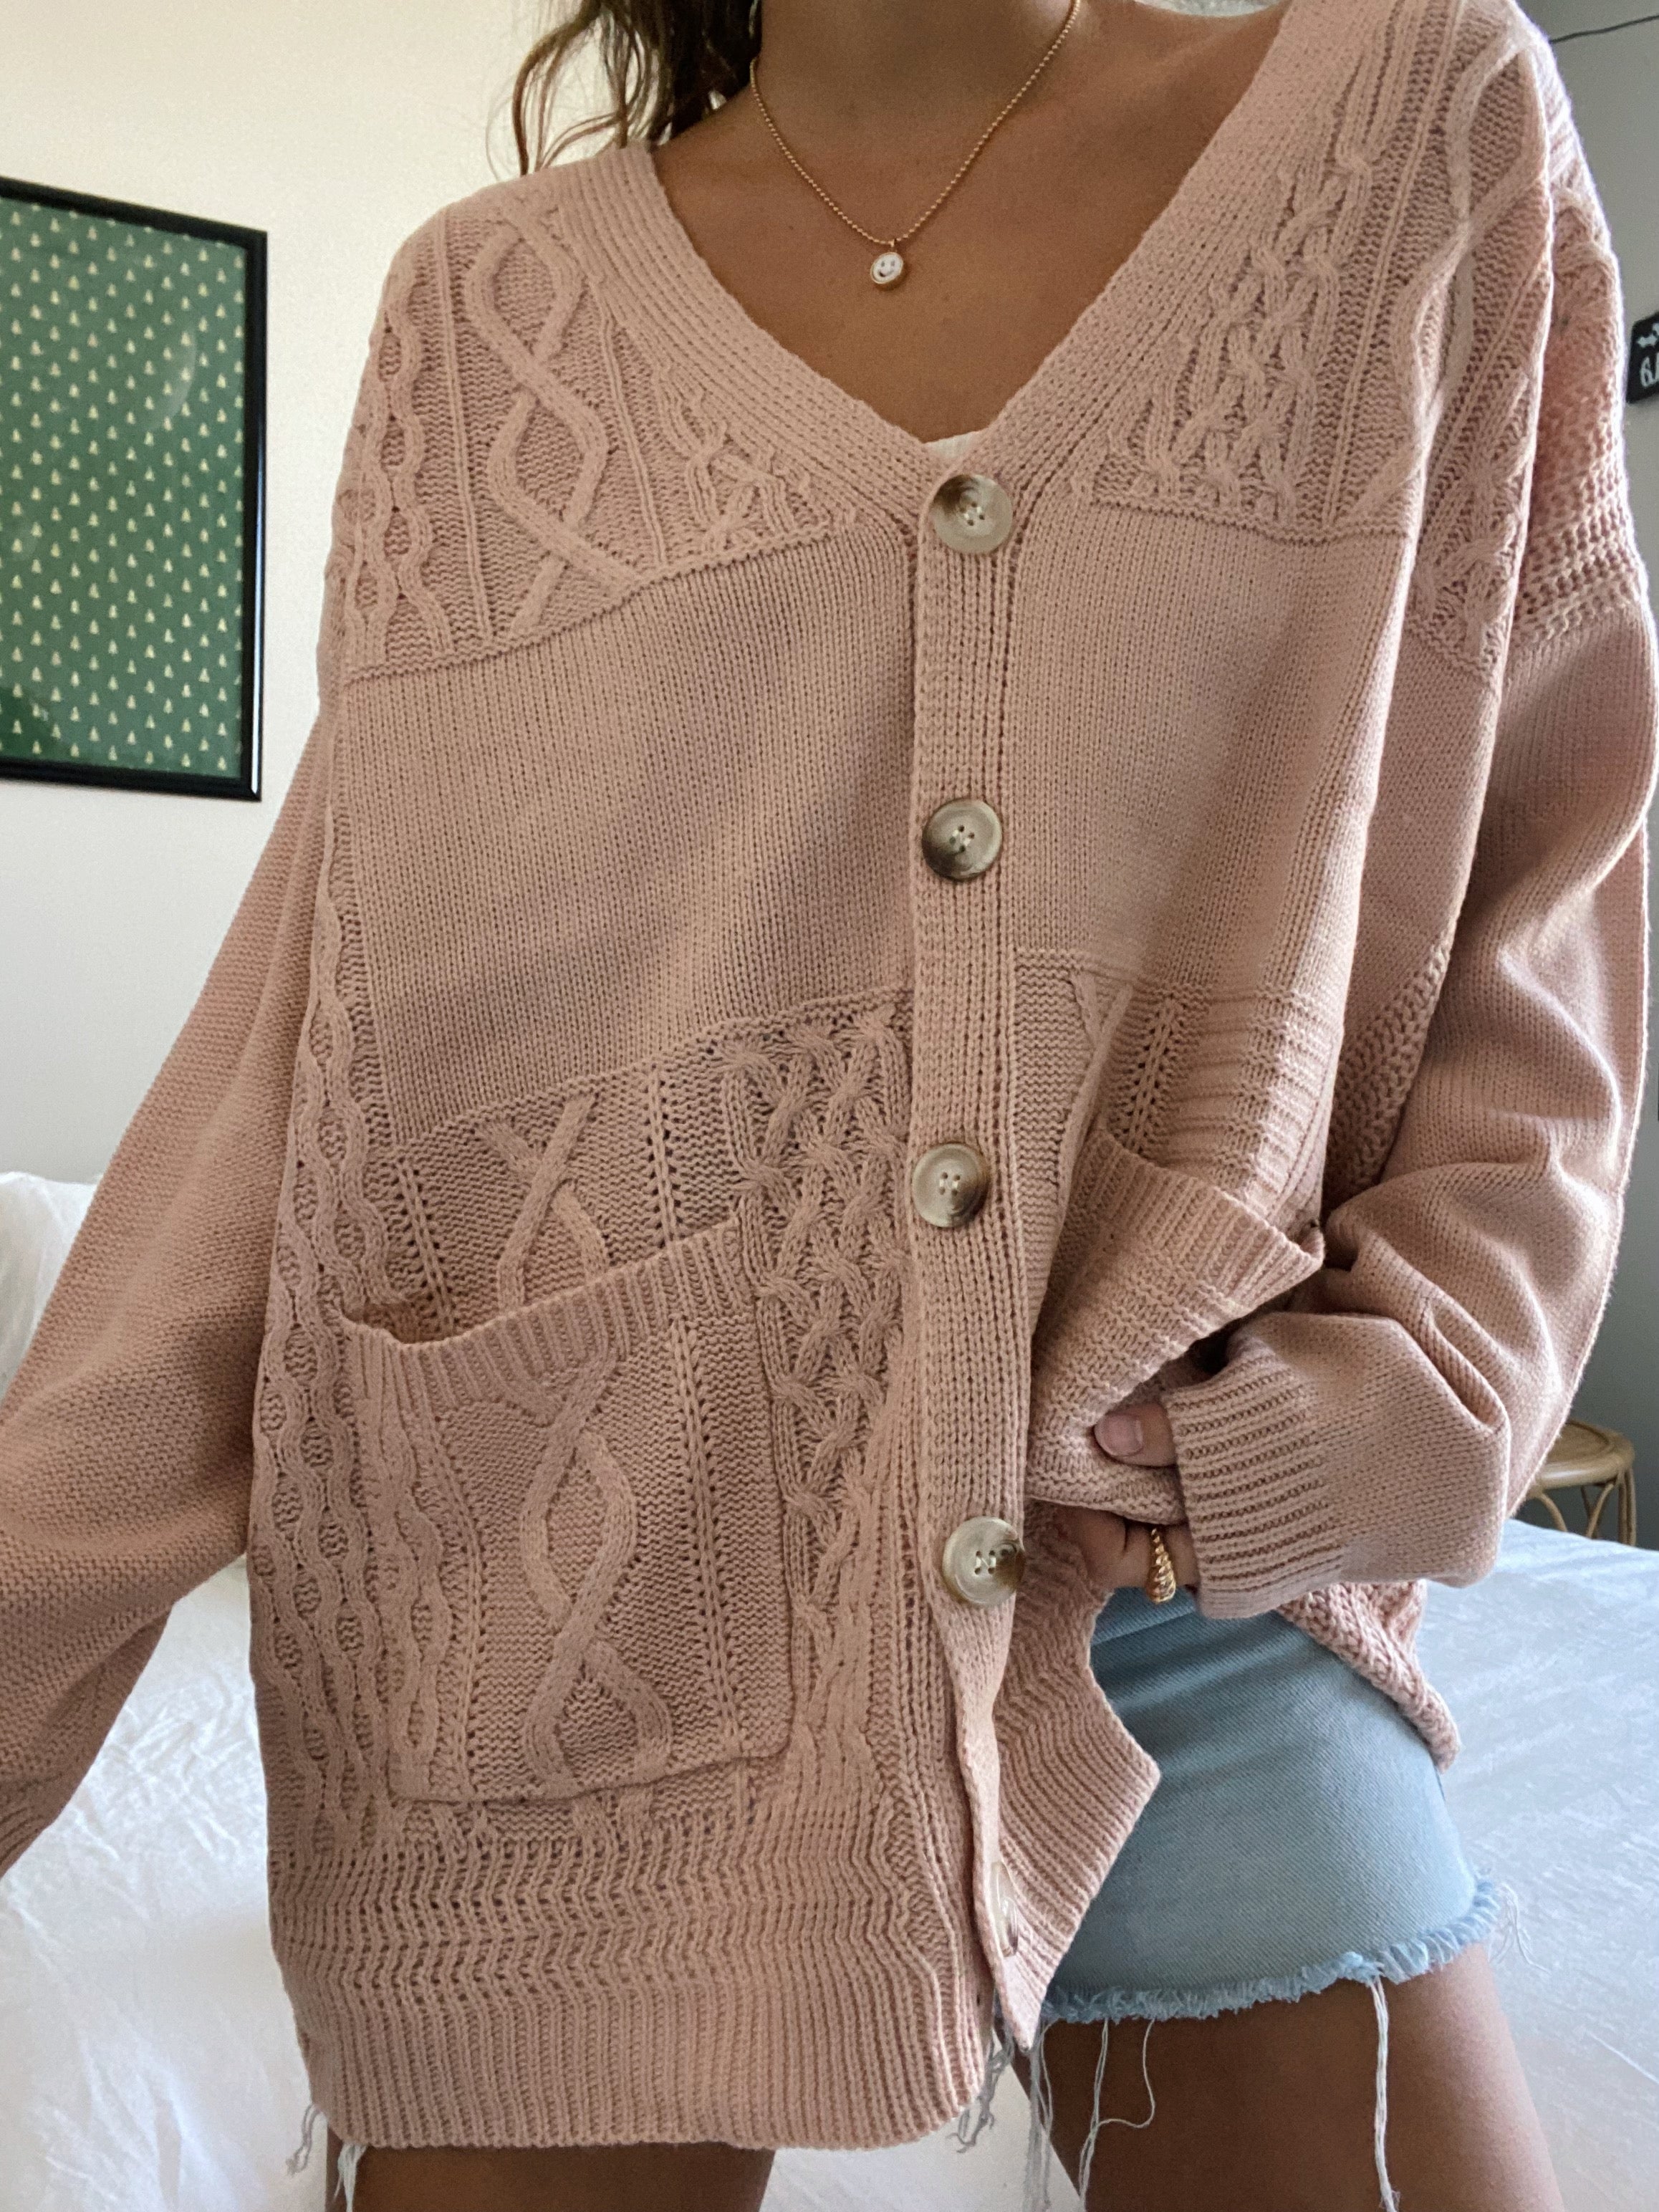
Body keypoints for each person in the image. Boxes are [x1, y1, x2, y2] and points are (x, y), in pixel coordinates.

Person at [2, 0, 1652, 2208]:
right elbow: (307, 1061)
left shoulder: (1413, 119)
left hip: (1169, 1569)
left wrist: (1394, 1404)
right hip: (587, 1603)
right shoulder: (488, 315)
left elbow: (1554, 878)